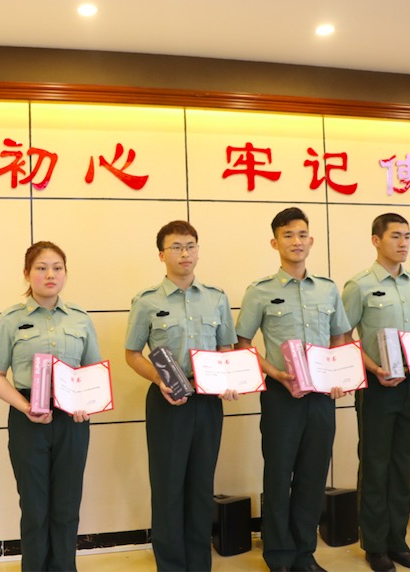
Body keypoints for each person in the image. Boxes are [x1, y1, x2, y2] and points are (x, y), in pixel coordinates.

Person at [234, 207, 351, 572]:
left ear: (311, 241)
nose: (296, 241)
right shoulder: (260, 292)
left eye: (301, 235)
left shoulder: (328, 290)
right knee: (278, 474)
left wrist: (340, 375)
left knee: (313, 476)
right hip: (280, 396)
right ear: (275, 243)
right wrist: (275, 373)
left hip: (321, 397)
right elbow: (242, 345)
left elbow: (341, 337)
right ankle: (278, 555)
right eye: (287, 235)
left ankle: (304, 554)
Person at [124, 220, 238, 571]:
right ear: (162, 255)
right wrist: (158, 379)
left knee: (201, 485)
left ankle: (199, 563)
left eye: (190, 246)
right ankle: (171, 565)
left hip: (208, 400)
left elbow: (226, 348)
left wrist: (229, 379)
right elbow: (132, 354)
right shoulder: (147, 301)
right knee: (168, 486)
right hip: (167, 400)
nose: (184, 253)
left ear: (198, 251)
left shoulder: (216, 298)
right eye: (176, 247)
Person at [0, 241, 102, 571]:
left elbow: (93, 372)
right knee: (35, 507)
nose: (50, 274)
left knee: (67, 506)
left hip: (72, 420)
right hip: (28, 419)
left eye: (57, 268)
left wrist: (86, 402)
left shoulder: (80, 318)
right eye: (41, 268)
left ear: (65, 273)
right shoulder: (11, 319)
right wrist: (25, 407)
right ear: (27, 273)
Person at [342, 213, 410, 572]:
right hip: (377, 387)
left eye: (407, 236)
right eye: (395, 236)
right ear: (376, 240)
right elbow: (343, 338)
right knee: (376, 465)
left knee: (402, 465)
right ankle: (375, 545)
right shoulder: (360, 285)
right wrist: (374, 368)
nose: (403, 243)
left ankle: (398, 542)